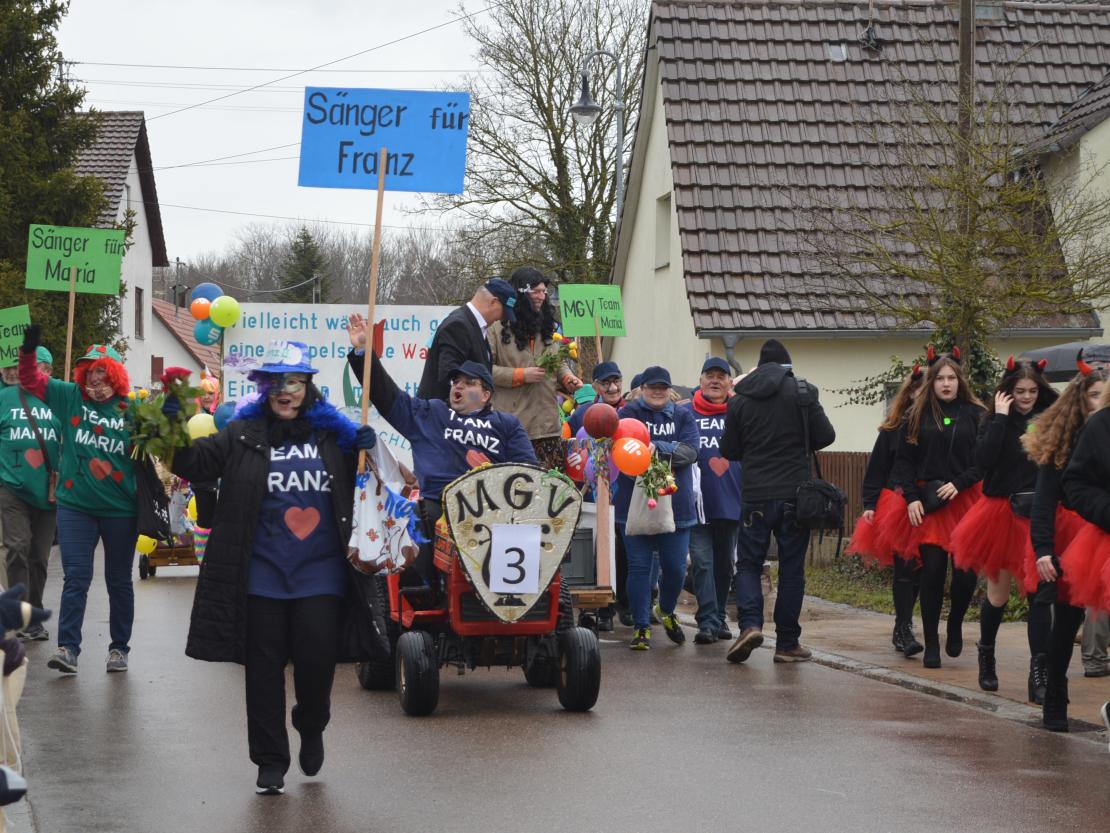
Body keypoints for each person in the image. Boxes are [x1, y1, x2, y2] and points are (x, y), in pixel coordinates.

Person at [168, 340, 376, 795]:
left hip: (321, 573)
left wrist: (367, 447)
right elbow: (193, 462)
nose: (287, 392)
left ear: (307, 389)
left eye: (296, 382)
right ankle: (269, 760)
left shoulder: (333, 436)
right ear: (265, 389)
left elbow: (373, 484)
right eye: (278, 383)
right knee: (262, 671)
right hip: (261, 572)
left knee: (316, 662)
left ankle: (312, 722)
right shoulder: (243, 434)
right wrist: (169, 428)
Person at [346, 314, 538, 584]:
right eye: (455, 381)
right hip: (440, 505)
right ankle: (423, 592)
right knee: (414, 518)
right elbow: (387, 395)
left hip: (494, 507)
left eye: (469, 383)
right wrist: (363, 352)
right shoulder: (432, 413)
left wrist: (492, 473)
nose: (458, 385)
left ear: (486, 395)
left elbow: (530, 472)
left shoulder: (506, 424)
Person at [18, 326, 138, 675]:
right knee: (77, 577)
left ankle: (119, 648)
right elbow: (29, 380)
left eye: (102, 371)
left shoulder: (133, 411)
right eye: (89, 371)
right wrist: (28, 350)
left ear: (115, 375)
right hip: (76, 507)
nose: (95, 379)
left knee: (118, 580)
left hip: (121, 510)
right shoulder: (70, 397)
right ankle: (67, 648)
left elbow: (160, 445)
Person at [720, 339, 835, 664]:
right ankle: (787, 643)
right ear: (787, 365)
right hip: (794, 497)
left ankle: (751, 625)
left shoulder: (740, 400)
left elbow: (728, 450)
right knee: (792, 569)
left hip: (755, 495)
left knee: (748, 564)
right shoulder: (802, 391)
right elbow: (826, 435)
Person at [950, 358, 1057, 699]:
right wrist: (999, 417)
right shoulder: (993, 421)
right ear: (1008, 391)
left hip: (1036, 515)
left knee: (1038, 596)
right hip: (998, 514)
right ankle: (986, 655)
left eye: (1032, 391)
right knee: (997, 595)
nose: (1026, 397)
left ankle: (1038, 674)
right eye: (1019, 391)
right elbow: (983, 462)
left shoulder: (1049, 420)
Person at [1023, 360, 1106, 730]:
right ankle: (1055, 688)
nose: (1100, 401)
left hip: (1097, 529)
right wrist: (1042, 549)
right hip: (1072, 539)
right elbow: (1042, 502)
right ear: (1081, 399)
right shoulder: (1064, 442)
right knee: (1067, 619)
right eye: (1094, 395)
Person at [891, 348, 985, 669]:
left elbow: (984, 462)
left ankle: (956, 621)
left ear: (960, 381)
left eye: (952, 378)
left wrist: (960, 482)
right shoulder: (915, 416)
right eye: (941, 379)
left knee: (965, 574)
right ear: (931, 382)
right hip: (929, 502)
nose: (947, 384)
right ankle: (931, 641)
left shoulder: (975, 415)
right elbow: (903, 461)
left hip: (966, 500)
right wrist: (911, 498)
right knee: (931, 573)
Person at [615, 365, 698, 650]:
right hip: (633, 506)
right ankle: (641, 627)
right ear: (642, 389)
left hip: (677, 506)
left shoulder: (683, 415)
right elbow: (619, 449)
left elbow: (690, 452)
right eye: (652, 387)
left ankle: (664, 609)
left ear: (670, 390)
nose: (658, 391)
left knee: (675, 569)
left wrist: (656, 446)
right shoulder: (627, 414)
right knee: (638, 567)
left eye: (663, 387)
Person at [846, 365, 924, 657]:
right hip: (898, 504)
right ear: (911, 393)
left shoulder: (942, 425)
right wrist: (869, 504)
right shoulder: (893, 430)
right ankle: (903, 627)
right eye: (919, 390)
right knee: (905, 568)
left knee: (921, 570)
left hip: (933, 503)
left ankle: (905, 624)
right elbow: (876, 469)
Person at [488, 267, 581, 469]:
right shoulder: (495, 328)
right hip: (514, 427)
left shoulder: (548, 326)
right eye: (536, 292)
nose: (542, 297)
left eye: (544, 292)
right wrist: (521, 375)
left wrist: (567, 379)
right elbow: (486, 370)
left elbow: (558, 362)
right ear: (520, 294)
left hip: (548, 428)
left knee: (550, 493)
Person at [0, 347, 60, 641]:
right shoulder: (3, 398)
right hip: (11, 489)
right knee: (17, 548)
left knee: (39, 556)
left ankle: (34, 612)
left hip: (48, 493)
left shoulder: (57, 397)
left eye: (44, 367)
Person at [682, 357, 742, 644]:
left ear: (730, 382)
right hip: (695, 503)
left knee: (723, 565)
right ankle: (707, 620)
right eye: (710, 375)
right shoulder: (685, 413)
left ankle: (718, 616)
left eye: (721, 376)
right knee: (702, 562)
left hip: (731, 501)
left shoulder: (740, 412)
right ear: (701, 379)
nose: (715, 380)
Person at [416, 278, 517, 401]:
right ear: (493, 302)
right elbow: (449, 380)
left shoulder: (473, 325)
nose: (502, 318)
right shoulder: (458, 326)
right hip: (444, 416)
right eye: (504, 313)